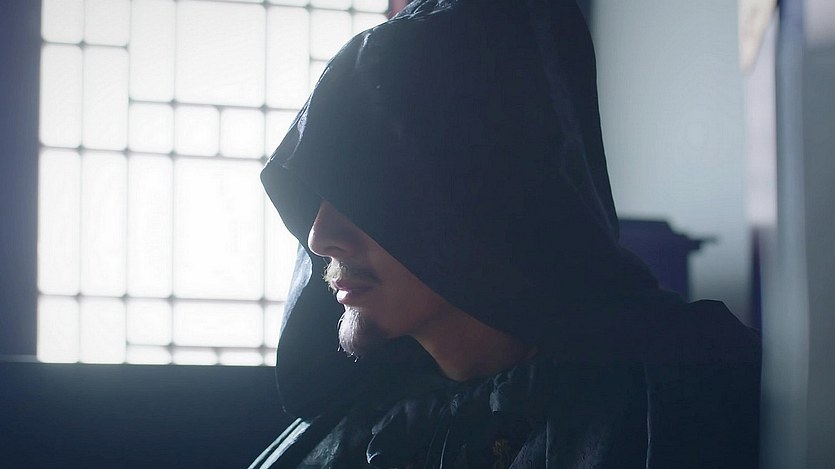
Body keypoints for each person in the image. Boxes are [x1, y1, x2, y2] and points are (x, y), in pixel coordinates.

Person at [250, 0, 761, 467]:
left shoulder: (678, 397)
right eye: (319, 195)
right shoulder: (350, 431)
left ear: (484, 193)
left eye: (362, 195)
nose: (318, 237)